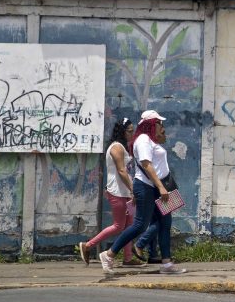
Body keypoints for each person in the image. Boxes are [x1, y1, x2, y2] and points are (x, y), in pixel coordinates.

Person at [98, 110, 186, 275]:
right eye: (159, 123)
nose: (162, 125)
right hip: (148, 187)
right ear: (151, 124)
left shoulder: (151, 140)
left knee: (165, 224)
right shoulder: (143, 140)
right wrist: (160, 187)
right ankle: (109, 255)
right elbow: (146, 165)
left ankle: (167, 264)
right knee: (140, 225)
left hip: (161, 186)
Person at [78, 118, 143, 266]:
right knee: (118, 226)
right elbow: (121, 170)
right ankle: (87, 245)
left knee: (129, 226)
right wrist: (133, 189)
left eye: (133, 131)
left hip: (124, 192)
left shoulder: (122, 146)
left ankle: (127, 258)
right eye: (129, 131)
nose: (132, 134)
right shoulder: (116, 147)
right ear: (122, 131)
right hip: (118, 192)